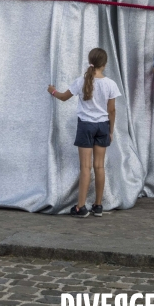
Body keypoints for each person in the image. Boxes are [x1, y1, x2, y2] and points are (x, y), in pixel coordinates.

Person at [48, 48, 121, 218]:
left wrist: (52, 90)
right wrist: (110, 131)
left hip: (86, 126)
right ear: (105, 64)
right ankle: (98, 205)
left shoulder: (81, 81)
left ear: (90, 61)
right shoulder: (111, 84)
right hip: (102, 126)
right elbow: (112, 110)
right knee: (99, 166)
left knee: (85, 167)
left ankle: (81, 207)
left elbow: (64, 97)